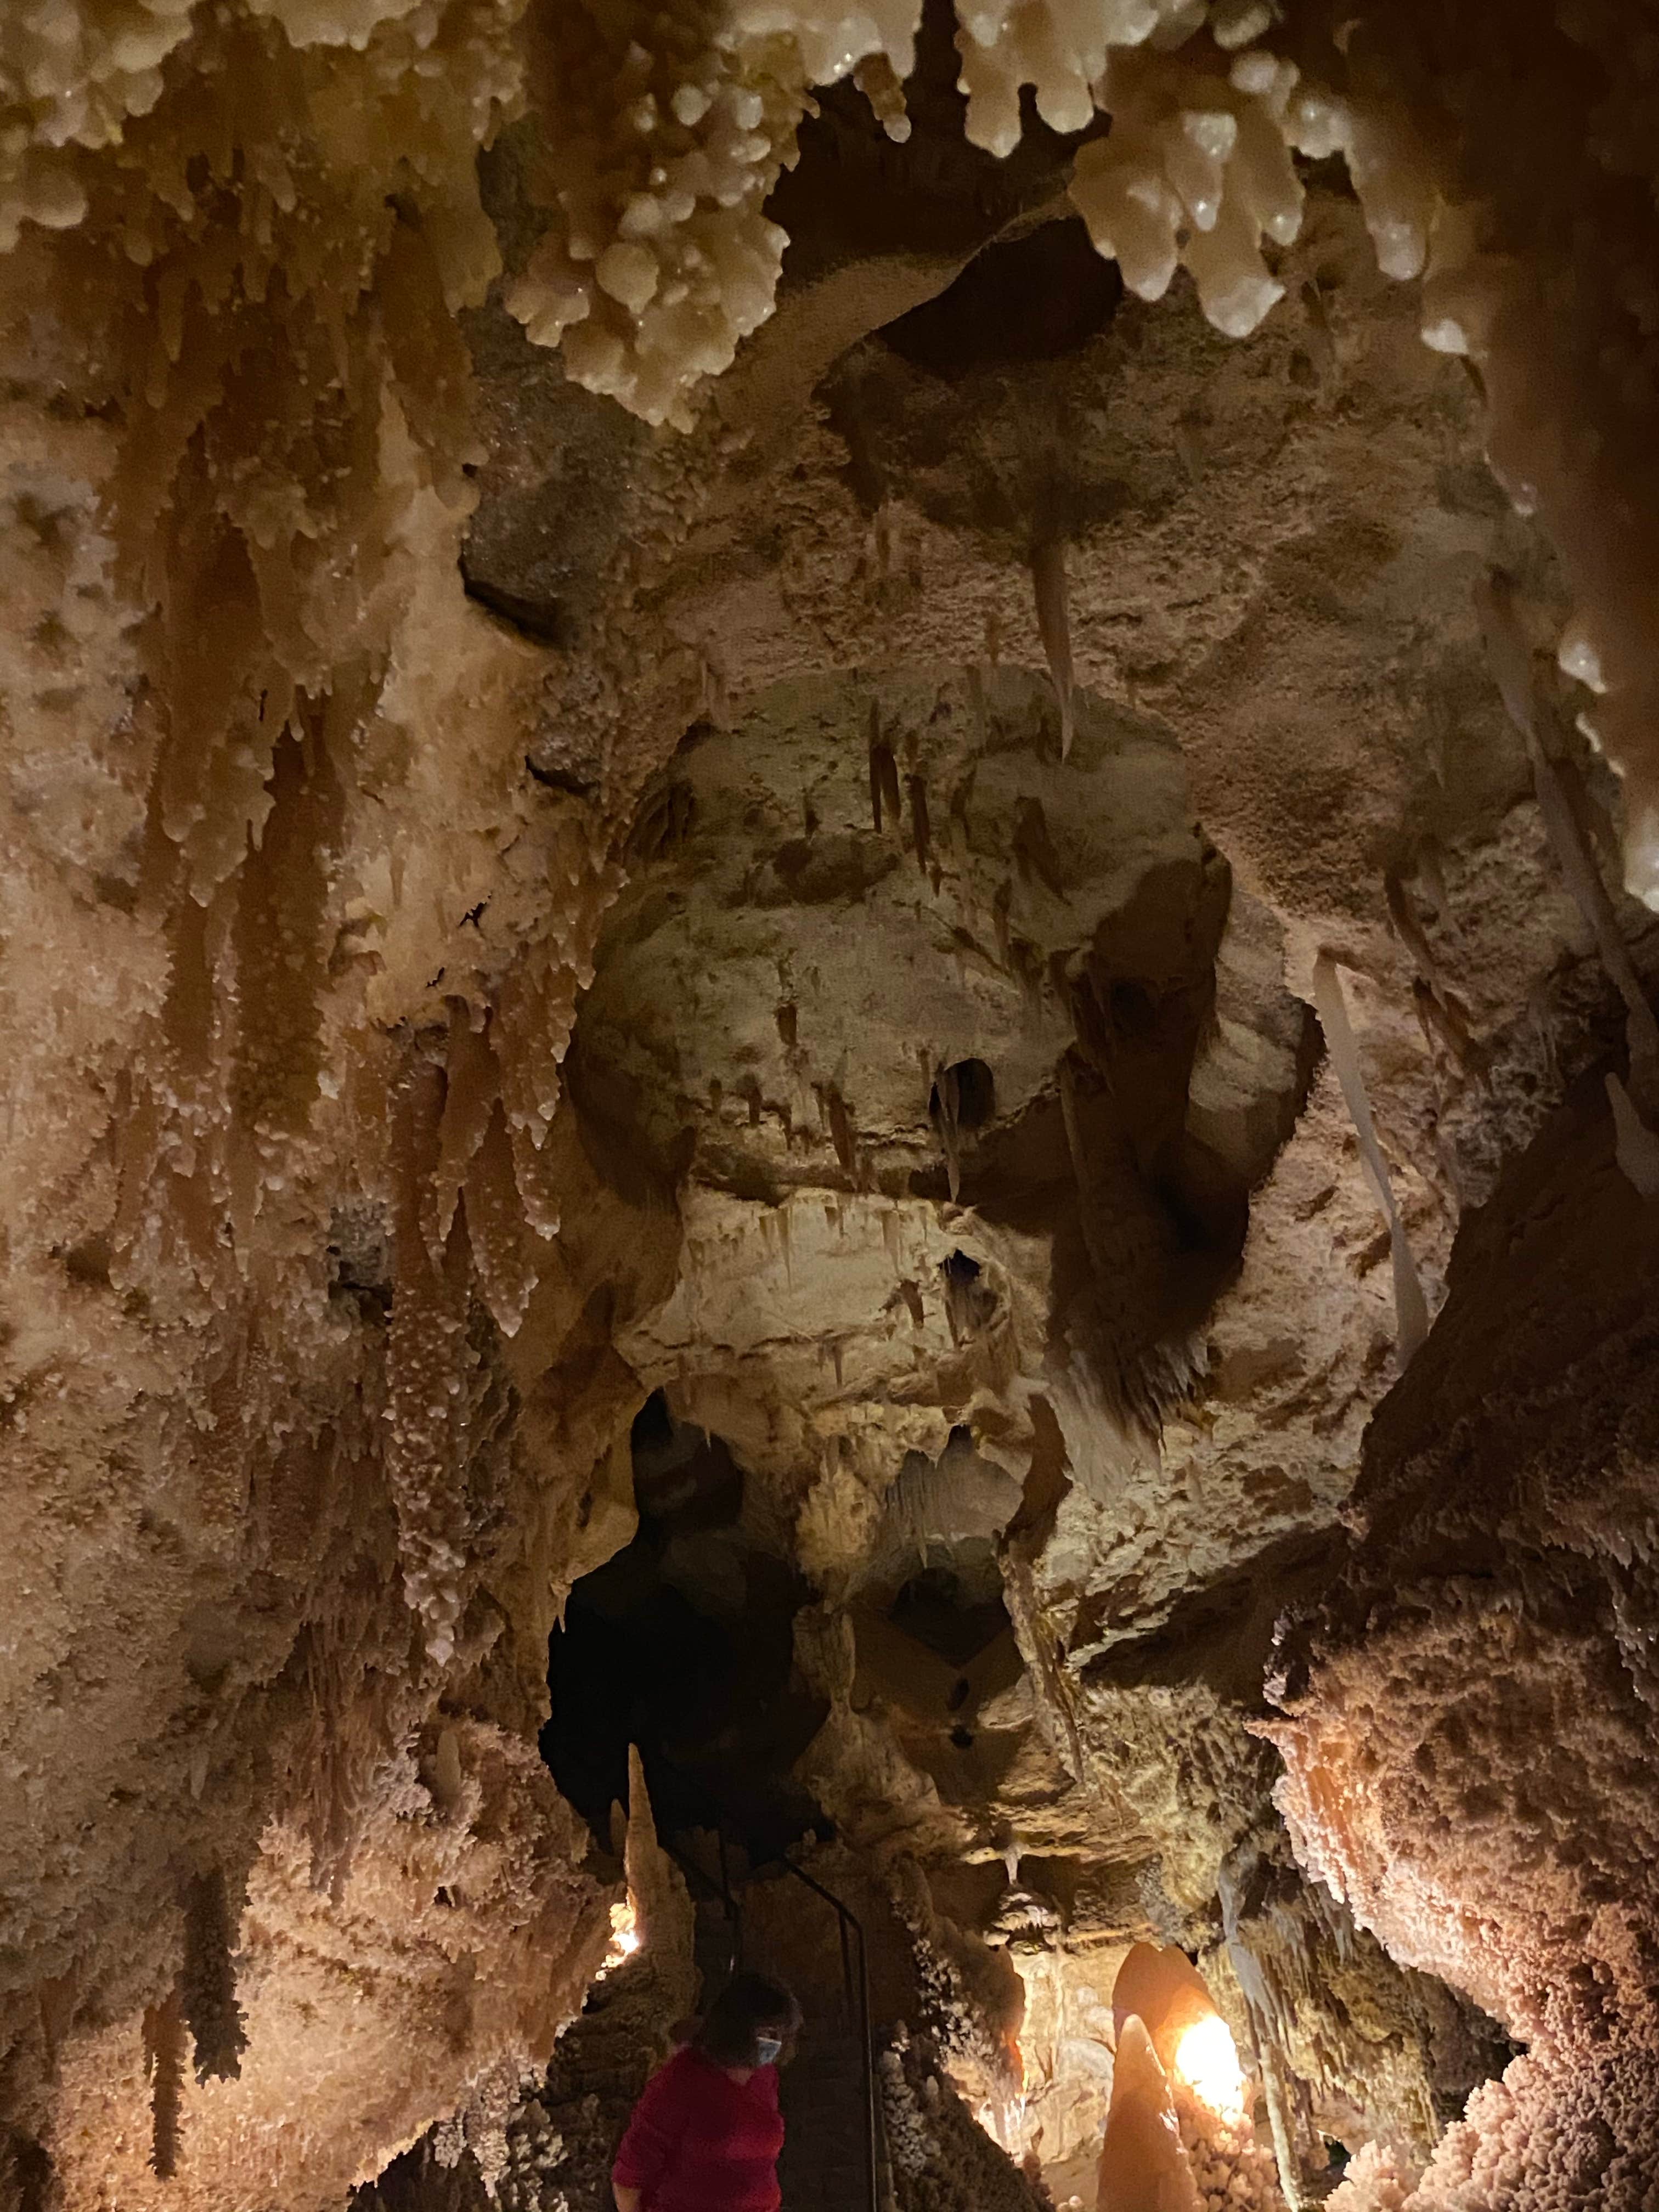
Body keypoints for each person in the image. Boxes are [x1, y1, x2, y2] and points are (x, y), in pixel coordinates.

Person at [612, 1972, 802, 2212]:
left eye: (779, 2035)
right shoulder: (681, 2081)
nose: (774, 2043)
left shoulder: (765, 2076)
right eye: (766, 2033)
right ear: (738, 2028)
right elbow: (630, 2176)